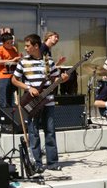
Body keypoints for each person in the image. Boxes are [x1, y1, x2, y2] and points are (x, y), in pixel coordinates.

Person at [11, 34, 69, 172]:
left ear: (36, 46)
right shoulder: (23, 62)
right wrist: (28, 88)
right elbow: (14, 80)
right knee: (33, 133)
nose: (25, 48)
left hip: (48, 102)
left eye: (27, 46)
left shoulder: (49, 61)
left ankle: (52, 162)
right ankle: (37, 163)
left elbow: (56, 80)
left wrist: (64, 79)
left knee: (50, 132)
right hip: (33, 103)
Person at [0, 32, 22, 108]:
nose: (10, 44)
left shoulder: (14, 49)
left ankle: (13, 114)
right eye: (8, 43)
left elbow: (15, 60)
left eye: (11, 42)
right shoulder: (0, 50)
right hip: (4, 76)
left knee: (14, 98)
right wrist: (11, 60)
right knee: (3, 98)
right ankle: (3, 114)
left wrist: (18, 59)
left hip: (14, 76)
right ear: (3, 43)